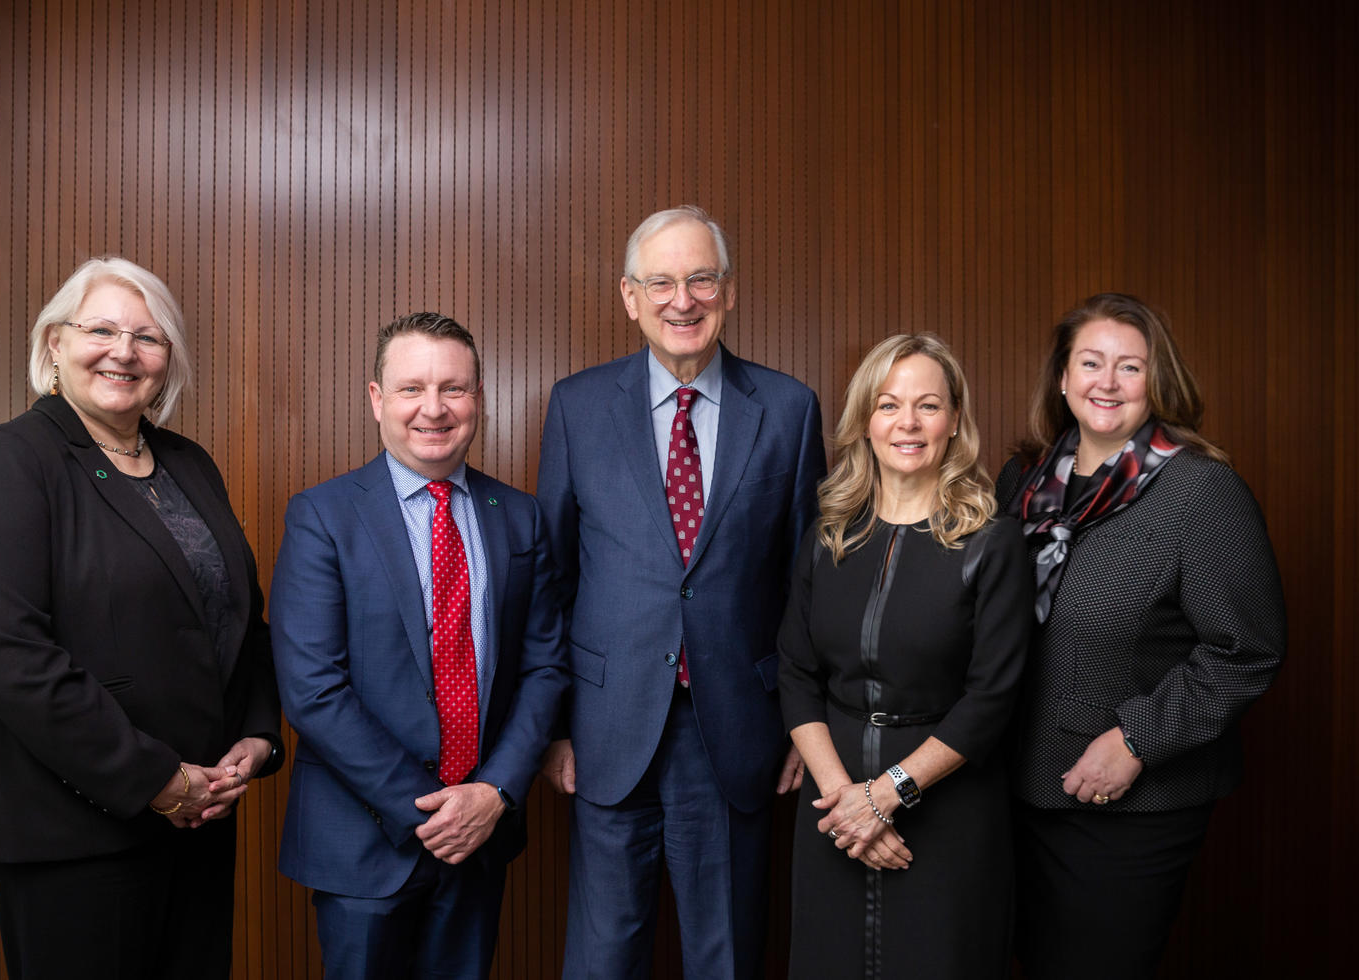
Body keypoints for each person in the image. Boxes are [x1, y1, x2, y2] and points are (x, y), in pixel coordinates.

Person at [0, 257, 283, 980]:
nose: (124, 351)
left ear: (168, 361)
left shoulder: (189, 464)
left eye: (148, 337)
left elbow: (237, 617)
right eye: (101, 329)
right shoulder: (8, 460)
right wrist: (156, 780)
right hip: (75, 832)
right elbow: (13, 658)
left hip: (199, 818)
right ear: (53, 345)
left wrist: (256, 732)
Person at [537, 205, 828, 978]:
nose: (682, 300)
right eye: (660, 282)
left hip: (736, 727)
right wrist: (557, 725)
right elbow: (554, 578)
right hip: (606, 727)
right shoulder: (575, 406)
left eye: (700, 279)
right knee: (603, 958)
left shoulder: (790, 410)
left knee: (725, 955)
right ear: (629, 297)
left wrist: (804, 727)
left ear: (728, 292)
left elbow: (809, 586)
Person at [995, 293, 1285, 979]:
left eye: (1130, 367)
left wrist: (1136, 740)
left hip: (1127, 806)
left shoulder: (1202, 491)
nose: (1107, 382)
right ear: (1062, 378)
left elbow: (1245, 651)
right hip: (1012, 788)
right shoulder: (1023, 481)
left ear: (1157, 383)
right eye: (1090, 362)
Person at [269, 312, 567, 978]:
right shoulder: (323, 515)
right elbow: (313, 688)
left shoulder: (520, 517)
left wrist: (492, 793)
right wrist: (433, 813)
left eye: (453, 389)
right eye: (411, 389)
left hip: (482, 836)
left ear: (479, 398)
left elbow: (545, 666)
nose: (433, 408)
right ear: (377, 399)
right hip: (362, 840)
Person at [776, 334, 1033, 979]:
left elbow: (993, 698)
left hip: (947, 811)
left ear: (954, 422)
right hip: (833, 813)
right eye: (889, 405)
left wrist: (889, 793)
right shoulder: (829, 533)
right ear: (866, 419)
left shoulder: (991, 540)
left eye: (928, 406)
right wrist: (845, 802)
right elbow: (797, 672)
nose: (908, 424)